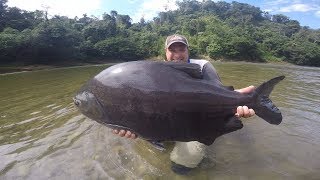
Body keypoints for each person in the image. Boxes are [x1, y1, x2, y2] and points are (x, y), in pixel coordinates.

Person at [112, 34, 255, 174]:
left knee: (183, 164)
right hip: (165, 119)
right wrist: (130, 126)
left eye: (182, 49)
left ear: (188, 51)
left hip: (196, 121)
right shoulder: (155, 71)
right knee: (144, 140)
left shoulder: (202, 65)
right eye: (172, 50)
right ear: (165, 52)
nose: (177, 55)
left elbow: (216, 93)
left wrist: (236, 99)